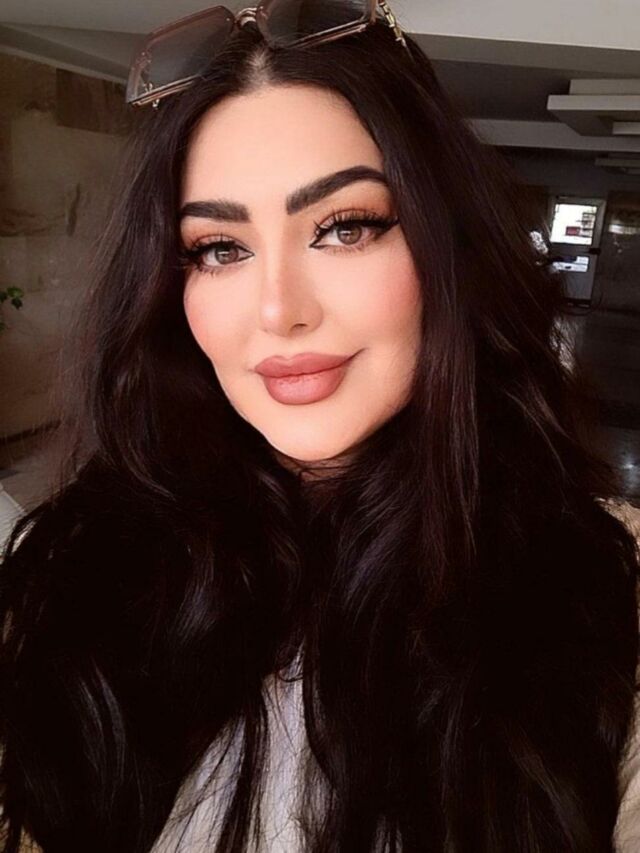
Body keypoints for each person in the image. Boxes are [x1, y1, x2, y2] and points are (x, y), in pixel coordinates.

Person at [1, 1, 640, 851]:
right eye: (219, 247)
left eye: (343, 228)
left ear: (449, 249)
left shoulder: (603, 597)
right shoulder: (74, 570)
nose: (278, 312)